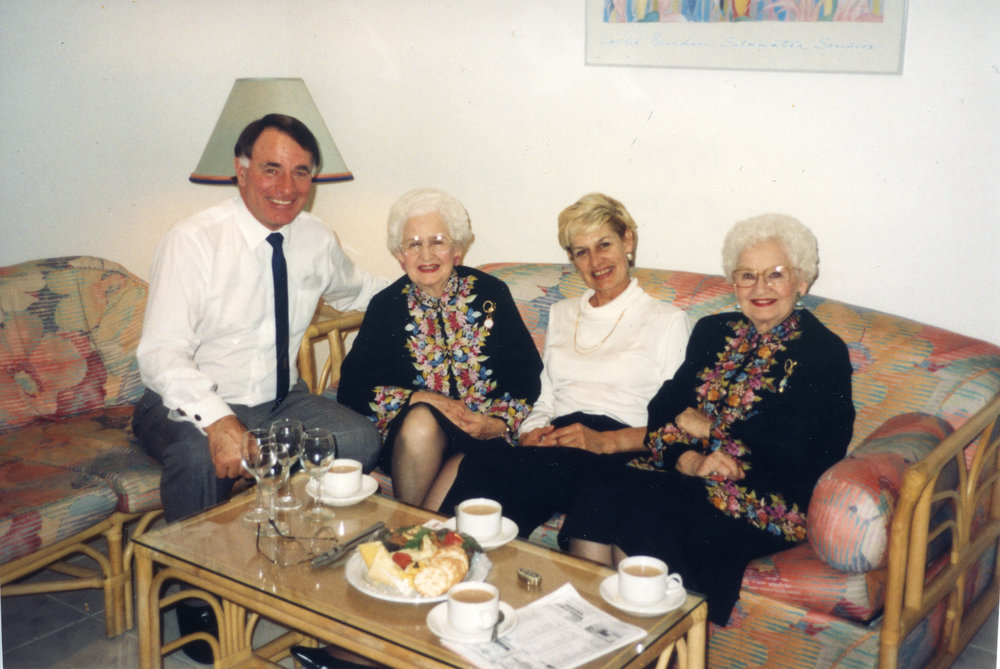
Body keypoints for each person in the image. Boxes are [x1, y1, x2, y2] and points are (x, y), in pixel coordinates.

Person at [132, 113, 385, 662]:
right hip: (183, 403)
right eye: (272, 169)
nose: (287, 188)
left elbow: (362, 290)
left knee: (361, 438)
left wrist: (433, 277)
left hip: (278, 400)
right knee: (201, 460)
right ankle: (196, 585)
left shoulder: (316, 238)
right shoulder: (194, 241)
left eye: (301, 173)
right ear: (240, 171)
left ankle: (289, 549)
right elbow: (159, 355)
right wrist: (220, 421)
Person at [565, 213, 855, 626]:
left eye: (776, 275)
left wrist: (713, 429)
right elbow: (664, 409)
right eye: (747, 276)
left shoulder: (823, 353)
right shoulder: (712, 331)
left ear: (803, 280)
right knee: (602, 486)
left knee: (649, 508)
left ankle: (647, 644)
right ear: (733, 283)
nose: (760, 288)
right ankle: (591, 633)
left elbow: (808, 449)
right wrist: (689, 459)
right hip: (694, 473)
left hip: (768, 497)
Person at [425, 193, 690, 536]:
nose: (596, 261)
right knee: (481, 461)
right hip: (558, 441)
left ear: (628, 241)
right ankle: (433, 554)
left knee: (502, 484)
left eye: (604, 244)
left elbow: (675, 425)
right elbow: (546, 395)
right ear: (572, 259)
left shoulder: (667, 320)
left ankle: (445, 554)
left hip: (618, 447)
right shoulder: (562, 312)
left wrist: (605, 440)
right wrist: (528, 434)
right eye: (582, 251)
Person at [337, 187, 543, 507]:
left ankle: (412, 537)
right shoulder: (386, 307)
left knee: (470, 469)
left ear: (457, 249)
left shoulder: (492, 294)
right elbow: (352, 388)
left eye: (437, 241)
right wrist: (417, 398)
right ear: (399, 255)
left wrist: (498, 422)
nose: (427, 255)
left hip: (482, 434)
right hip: (414, 443)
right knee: (421, 421)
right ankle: (414, 532)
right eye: (414, 245)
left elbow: (527, 373)